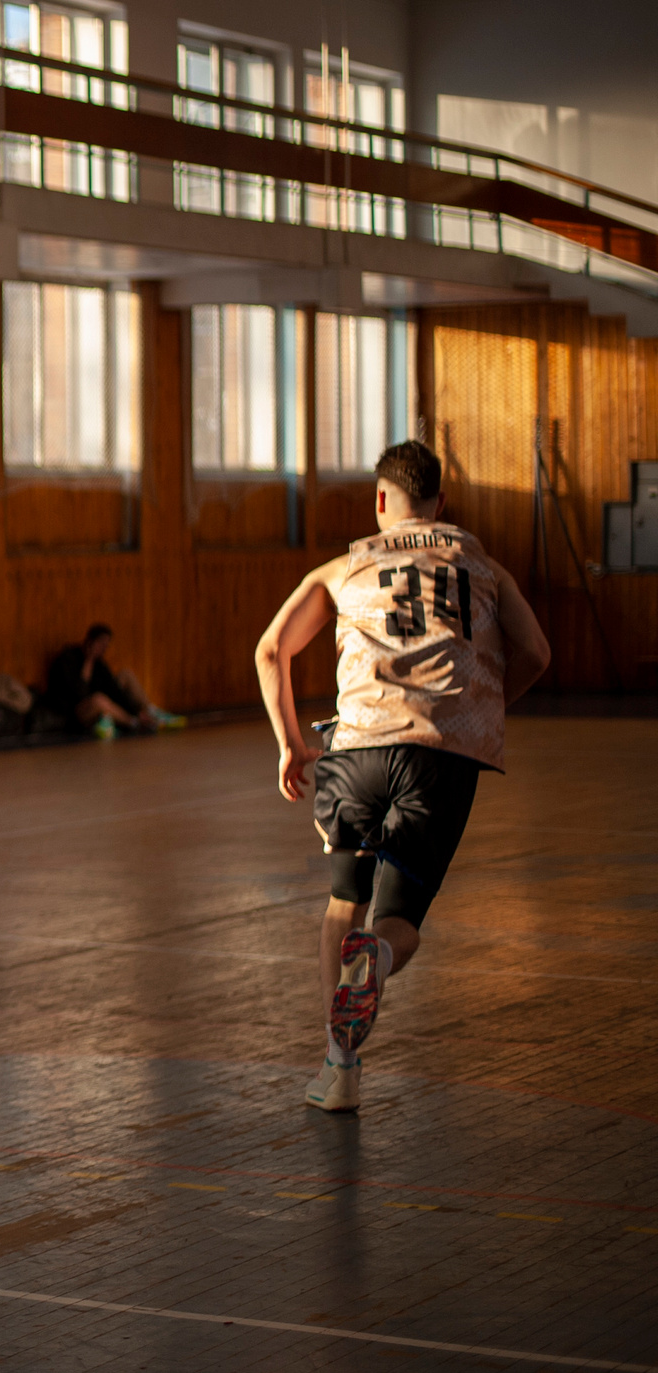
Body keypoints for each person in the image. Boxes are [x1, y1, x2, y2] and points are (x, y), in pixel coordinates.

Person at [253, 440, 549, 1114]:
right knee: (399, 917)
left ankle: (340, 1068)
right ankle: (380, 960)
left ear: (381, 501)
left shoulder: (345, 566)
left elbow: (272, 649)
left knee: (341, 903)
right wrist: (484, 705)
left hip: (356, 749)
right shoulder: (483, 565)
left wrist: (291, 746)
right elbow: (536, 651)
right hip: (439, 754)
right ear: (441, 504)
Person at [46, 624, 183, 738]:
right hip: (75, 712)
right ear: (90, 642)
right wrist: (88, 661)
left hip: (102, 706)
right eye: (101, 644)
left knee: (125, 674)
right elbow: (79, 693)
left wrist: (135, 710)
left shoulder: (99, 664)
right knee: (99, 699)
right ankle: (133, 722)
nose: (103, 649)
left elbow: (114, 690)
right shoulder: (68, 659)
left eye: (106, 645)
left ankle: (150, 711)